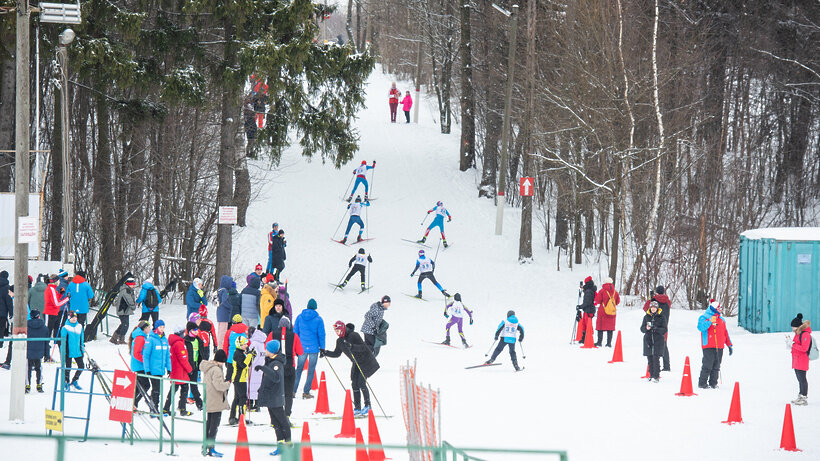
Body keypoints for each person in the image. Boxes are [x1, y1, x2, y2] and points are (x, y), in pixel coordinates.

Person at [322, 321, 379, 416]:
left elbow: (364, 347)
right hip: (356, 363)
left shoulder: (354, 335)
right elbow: (337, 354)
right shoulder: (340, 341)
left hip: (365, 361)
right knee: (354, 384)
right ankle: (357, 408)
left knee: (361, 383)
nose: (337, 333)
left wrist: (352, 346)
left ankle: (368, 406)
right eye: (335, 331)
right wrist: (325, 352)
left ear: (343, 329)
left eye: (338, 330)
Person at [256, 339, 291, 455]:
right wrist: (261, 389)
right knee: (275, 422)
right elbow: (267, 379)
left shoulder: (276, 364)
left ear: (271, 351)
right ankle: (280, 444)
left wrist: (263, 368)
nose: (265, 350)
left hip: (275, 398)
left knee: (282, 421)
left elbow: (276, 378)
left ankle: (288, 443)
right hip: (270, 397)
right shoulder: (271, 361)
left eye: (267, 349)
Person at [696, 299, 733, 389]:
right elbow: (701, 328)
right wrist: (710, 321)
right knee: (707, 365)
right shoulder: (704, 317)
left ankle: (713, 383)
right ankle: (702, 383)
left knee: (716, 366)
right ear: (714, 309)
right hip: (708, 345)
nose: (721, 309)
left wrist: (729, 344)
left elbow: (725, 333)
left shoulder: (721, 320)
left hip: (719, 346)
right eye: (719, 308)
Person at [293, 298, 325, 399]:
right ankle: (306, 392)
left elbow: (295, 333)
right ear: (315, 307)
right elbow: (321, 335)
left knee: (299, 369)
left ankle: (293, 391)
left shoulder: (299, 317)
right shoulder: (318, 319)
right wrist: (322, 348)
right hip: (314, 348)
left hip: (302, 347)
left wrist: (295, 346)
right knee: (311, 370)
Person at [269, 316, 301, 418]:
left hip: (276, 367)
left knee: (276, 392)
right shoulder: (294, 336)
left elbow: (267, 348)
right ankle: (287, 414)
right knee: (288, 393)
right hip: (289, 367)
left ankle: (277, 416)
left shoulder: (272, 334)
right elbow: (300, 351)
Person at [202, 349, 230, 457]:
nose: (223, 364)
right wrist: (227, 384)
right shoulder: (217, 370)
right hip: (216, 400)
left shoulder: (209, 367)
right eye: (223, 361)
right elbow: (219, 386)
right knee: (214, 426)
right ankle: (211, 448)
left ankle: (205, 445)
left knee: (209, 424)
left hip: (210, 399)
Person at [142, 320, 172, 412]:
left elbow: (167, 356)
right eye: (160, 327)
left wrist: (169, 368)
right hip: (153, 370)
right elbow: (146, 355)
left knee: (158, 390)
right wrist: (147, 369)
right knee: (156, 389)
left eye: (163, 327)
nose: (162, 329)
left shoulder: (164, 340)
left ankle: (153, 406)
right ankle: (154, 408)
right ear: (156, 327)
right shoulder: (151, 340)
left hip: (160, 370)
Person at [164, 326, 193, 416]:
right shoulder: (179, 344)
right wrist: (189, 369)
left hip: (175, 371)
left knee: (173, 390)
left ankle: (166, 408)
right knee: (184, 389)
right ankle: (182, 408)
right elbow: (183, 359)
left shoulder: (174, 343)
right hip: (181, 372)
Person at [643, 285, 672, 370]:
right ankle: (666, 365)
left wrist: (651, 298)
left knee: (653, 346)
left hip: (654, 326)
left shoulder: (654, 300)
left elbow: (645, 308)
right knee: (664, 345)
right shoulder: (668, 301)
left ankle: (653, 366)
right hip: (664, 326)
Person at [43, 274, 69, 361]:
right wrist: (66, 299)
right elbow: (57, 303)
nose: (59, 282)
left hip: (55, 314)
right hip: (49, 314)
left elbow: (55, 299)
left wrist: (61, 294)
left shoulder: (53, 288)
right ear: (56, 281)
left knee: (58, 333)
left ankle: (63, 356)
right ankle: (46, 355)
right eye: (58, 281)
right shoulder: (51, 289)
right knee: (47, 334)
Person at [230, 335, 254, 425]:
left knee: (237, 398)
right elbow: (243, 365)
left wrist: (251, 356)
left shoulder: (241, 353)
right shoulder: (238, 354)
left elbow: (248, 364)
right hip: (239, 379)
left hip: (241, 378)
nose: (246, 346)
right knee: (242, 398)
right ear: (239, 345)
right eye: (244, 344)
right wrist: (249, 356)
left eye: (246, 344)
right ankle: (240, 417)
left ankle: (234, 417)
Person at [640, 301, 667, 382]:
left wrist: (656, 329)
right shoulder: (646, 317)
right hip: (648, 340)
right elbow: (642, 329)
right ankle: (651, 375)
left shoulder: (661, 317)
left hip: (658, 341)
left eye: (655, 307)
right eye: (652, 307)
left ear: (657, 308)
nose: (653, 309)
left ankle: (656, 376)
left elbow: (664, 329)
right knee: (650, 358)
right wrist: (646, 328)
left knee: (656, 358)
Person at [789, 313, 812, 405]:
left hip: (802, 360)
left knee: (802, 379)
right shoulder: (798, 334)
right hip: (796, 359)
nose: (792, 329)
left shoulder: (805, 334)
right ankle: (800, 395)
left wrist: (793, 344)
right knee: (799, 379)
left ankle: (804, 397)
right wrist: (790, 344)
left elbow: (804, 348)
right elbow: (796, 345)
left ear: (798, 327)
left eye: (793, 327)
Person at [129, 320, 152, 410]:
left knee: (139, 387)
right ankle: (134, 403)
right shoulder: (140, 338)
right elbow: (136, 353)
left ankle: (133, 404)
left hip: (139, 366)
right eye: (148, 327)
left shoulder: (142, 337)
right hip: (139, 366)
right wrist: (146, 361)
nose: (150, 329)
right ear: (144, 328)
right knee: (146, 385)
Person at [60, 311, 85, 390]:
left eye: (75, 317)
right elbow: (62, 341)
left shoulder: (79, 326)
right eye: (72, 317)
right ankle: (66, 382)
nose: (74, 319)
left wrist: (82, 350)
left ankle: (75, 380)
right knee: (68, 367)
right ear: (69, 318)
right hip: (68, 351)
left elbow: (81, 339)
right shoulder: (65, 328)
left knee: (81, 366)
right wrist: (62, 352)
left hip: (77, 351)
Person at [26, 310, 48, 393]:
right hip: (39, 351)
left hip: (28, 351)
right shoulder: (44, 327)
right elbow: (46, 342)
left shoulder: (26, 327)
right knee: (39, 368)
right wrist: (47, 354)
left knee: (28, 368)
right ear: (39, 316)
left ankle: (27, 385)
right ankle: (39, 385)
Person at [246, 327, 267, 415]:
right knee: (258, 385)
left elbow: (254, 354)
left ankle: (250, 404)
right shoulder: (262, 342)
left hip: (254, 367)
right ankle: (257, 404)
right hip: (260, 366)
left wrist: (249, 363)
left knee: (251, 385)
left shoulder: (254, 343)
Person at [184, 321, 205, 411]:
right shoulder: (185, 340)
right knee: (184, 387)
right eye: (194, 330)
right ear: (189, 331)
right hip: (186, 367)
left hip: (195, 366)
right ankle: (181, 405)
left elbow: (201, 353)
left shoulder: (198, 340)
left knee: (194, 386)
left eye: (197, 330)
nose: (196, 331)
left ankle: (199, 404)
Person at [594, 277, 620, 347]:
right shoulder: (615, 292)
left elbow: (598, 300)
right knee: (610, 328)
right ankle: (608, 343)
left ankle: (599, 342)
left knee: (600, 327)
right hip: (612, 312)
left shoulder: (602, 291)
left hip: (603, 311)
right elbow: (617, 302)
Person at [111, 276, 137, 345]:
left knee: (123, 324)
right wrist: (133, 306)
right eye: (132, 284)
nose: (133, 286)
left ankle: (114, 338)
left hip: (124, 310)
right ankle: (121, 339)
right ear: (129, 284)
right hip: (122, 310)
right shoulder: (125, 290)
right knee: (125, 324)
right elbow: (129, 300)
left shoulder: (128, 290)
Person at [222, 314, 249, 381]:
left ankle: (226, 387)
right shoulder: (246, 331)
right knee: (241, 379)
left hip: (231, 358)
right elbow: (249, 344)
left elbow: (225, 346)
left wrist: (225, 358)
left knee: (228, 378)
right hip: (243, 359)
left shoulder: (229, 332)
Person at [215, 275, 234, 345]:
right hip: (224, 314)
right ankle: (221, 347)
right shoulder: (224, 291)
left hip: (219, 312)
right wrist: (230, 307)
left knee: (220, 331)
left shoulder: (219, 289)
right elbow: (224, 301)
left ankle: (218, 345)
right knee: (223, 332)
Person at [577, 276, 597, 344]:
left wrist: (580, 306)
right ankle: (585, 337)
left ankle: (587, 337)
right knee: (585, 324)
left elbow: (587, 302)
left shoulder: (588, 291)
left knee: (587, 324)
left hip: (588, 310)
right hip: (589, 310)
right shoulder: (590, 290)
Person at [0, 271, 12, 366]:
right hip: (3, 313)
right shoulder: (7, 288)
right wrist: (11, 312)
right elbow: (8, 301)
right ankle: (0, 342)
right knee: (1, 328)